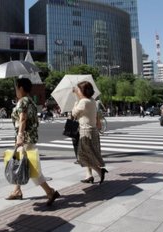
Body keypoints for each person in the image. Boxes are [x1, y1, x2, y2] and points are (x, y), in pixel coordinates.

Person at [6, 78, 60, 206]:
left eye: (16, 88)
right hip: (29, 136)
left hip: (24, 138)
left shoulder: (22, 101)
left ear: (20, 88)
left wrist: (20, 136)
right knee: (20, 163)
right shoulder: (30, 101)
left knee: (29, 166)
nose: (16, 91)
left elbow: (23, 119)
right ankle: (17, 190)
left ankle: (50, 191)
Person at [71, 81, 108, 184]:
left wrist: (75, 101)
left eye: (78, 89)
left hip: (86, 132)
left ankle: (100, 171)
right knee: (89, 155)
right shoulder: (92, 100)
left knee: (82, 157)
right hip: (92, 131)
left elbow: (74, 113)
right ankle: (92, 174)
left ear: (82, 91)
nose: (77, 91)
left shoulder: (83, 102)